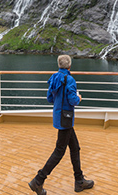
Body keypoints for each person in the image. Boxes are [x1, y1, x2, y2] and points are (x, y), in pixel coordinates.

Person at [29, 55, 94, 194]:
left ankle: (79, 181)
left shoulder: (54, 78)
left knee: (75, 148)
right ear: (70, 66)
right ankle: (38, 180)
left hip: (59, 117)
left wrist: (60, 100)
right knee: (59, 151)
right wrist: (79, 98)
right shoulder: (69, 80)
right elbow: (73, 101)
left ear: (59, 65)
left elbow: (49, 98)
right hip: (66, 118)